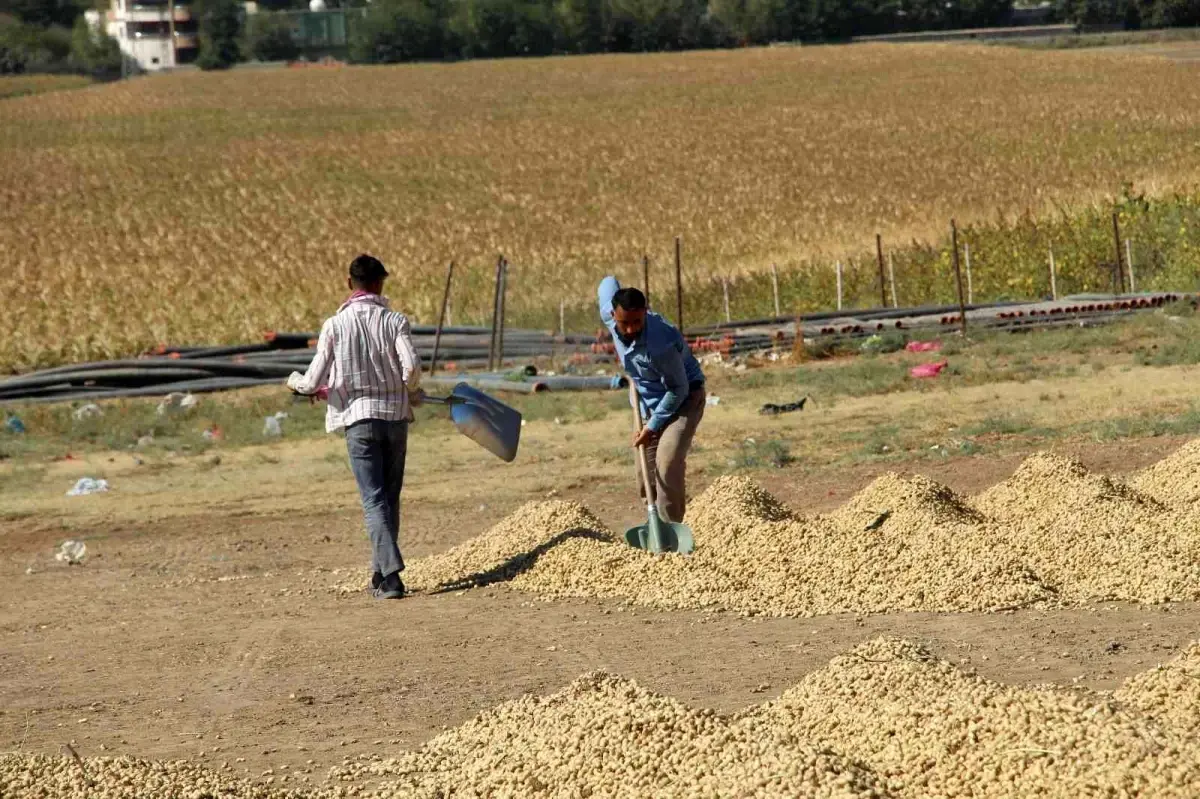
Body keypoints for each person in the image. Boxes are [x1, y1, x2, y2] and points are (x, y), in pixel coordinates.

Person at [287, 254, 423, 600]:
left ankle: (391, 577)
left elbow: (314, 379)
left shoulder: (335, 326)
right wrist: (411, 391)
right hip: (394, 418)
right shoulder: (395, 321)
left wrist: (298, 383)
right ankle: (379, 573)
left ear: (350, 284)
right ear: (380, 283)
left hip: (358, 421)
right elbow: (411, 366)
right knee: (390, 499)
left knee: (373, 500)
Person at [598, 277, 705, 523]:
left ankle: (671, 528)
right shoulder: (610, 315)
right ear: (613, 314)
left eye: (637, 322)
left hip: (685, 400)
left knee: (666, 463)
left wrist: (653, 426)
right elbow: (607, 284)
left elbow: (679, 388)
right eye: (624, 323)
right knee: (643, 472)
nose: (631, 329)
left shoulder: (661, 343)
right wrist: (609, 280)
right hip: (648, 403)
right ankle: (653, 523)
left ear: (646, 313)